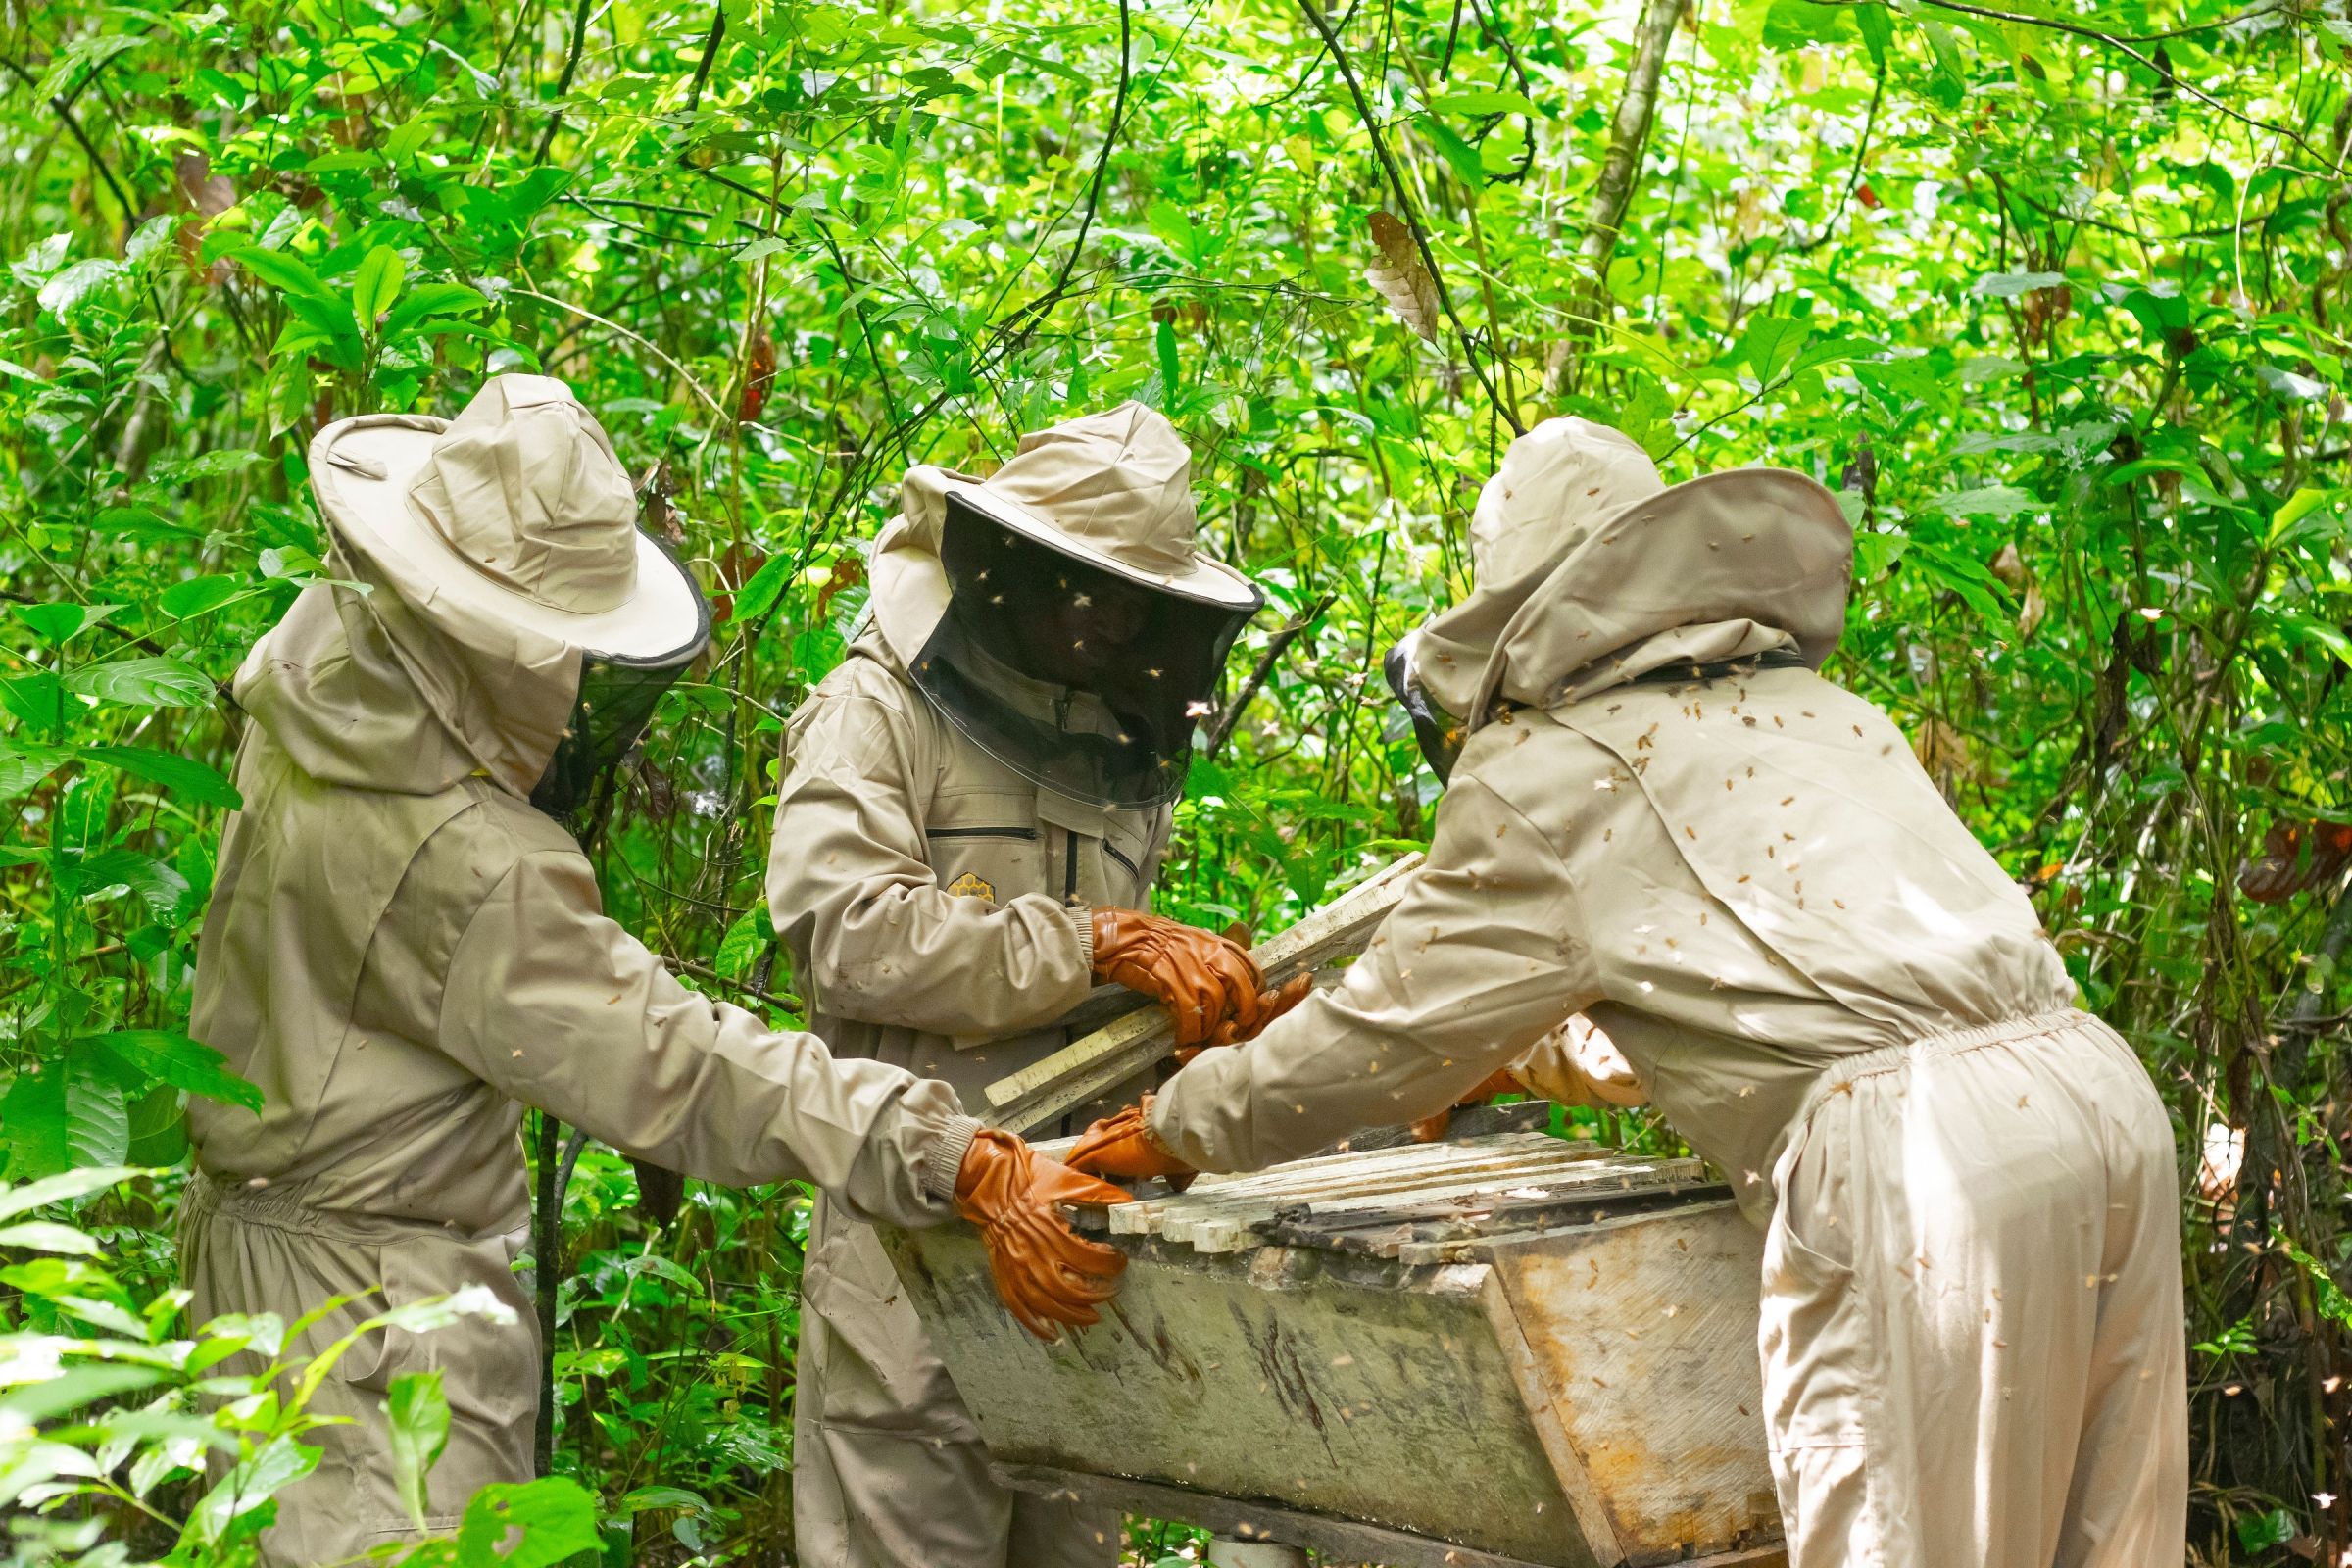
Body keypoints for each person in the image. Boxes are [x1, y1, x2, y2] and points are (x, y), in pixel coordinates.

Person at [1070, 417, 2188, 1567]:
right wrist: (1510, 1059)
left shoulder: (1555, 765)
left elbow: (1381, 1033)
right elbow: (1753, 1006)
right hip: (2102, 1103)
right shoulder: (1826, 718)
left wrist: (1172, 1124)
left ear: (1509, 590)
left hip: (1927, 1172)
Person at [180, 376, 1131, 1568]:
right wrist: (947, 1148)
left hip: (250, 1271)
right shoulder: (463, 860)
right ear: (496, 630)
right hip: (375, 1330)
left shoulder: (317, 681)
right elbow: (682, 1063)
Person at [768, 402, 1301, 1568]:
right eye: (1082, 582)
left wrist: (1205, 1003)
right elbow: (843, 932)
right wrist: (1097, 944)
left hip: (1072, 1253)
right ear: (1009, 560)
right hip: (908, 1245)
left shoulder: (1122, 745)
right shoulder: (879, 708)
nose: (1105, 616)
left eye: (1132, 596)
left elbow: (1106, 994)